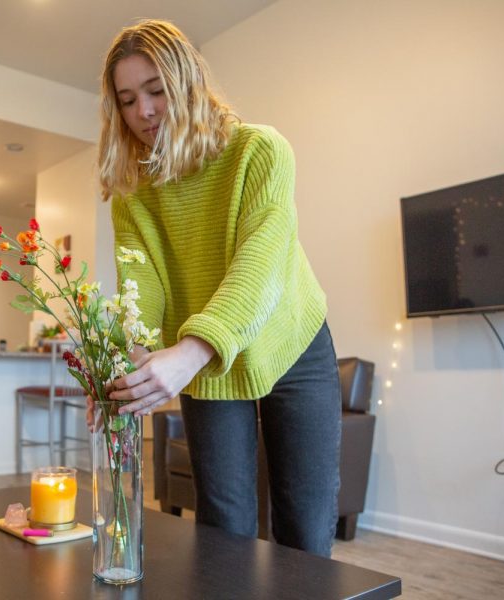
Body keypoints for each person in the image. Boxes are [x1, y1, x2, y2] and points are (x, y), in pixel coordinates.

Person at [91, 19, 342, 558]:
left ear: (187, 83)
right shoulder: (133, 195)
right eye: (129, 99)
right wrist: (128, 370)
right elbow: (142, 291)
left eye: (156, 91)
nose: (144, 112)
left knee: (305, 527)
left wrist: (189, 350)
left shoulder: (261, 151)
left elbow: (261, 266)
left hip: (291, 344)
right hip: (204, 361)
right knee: (222, 527)